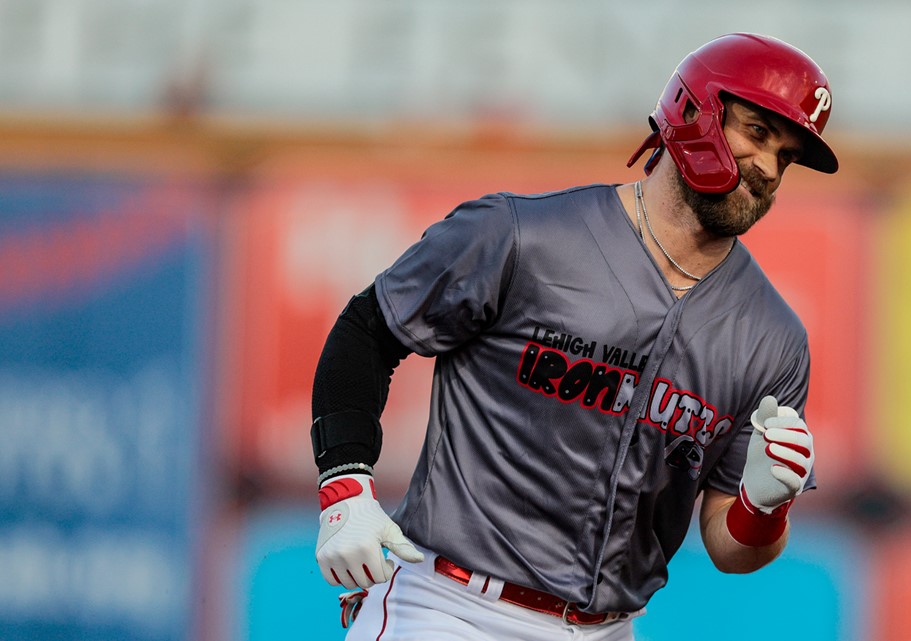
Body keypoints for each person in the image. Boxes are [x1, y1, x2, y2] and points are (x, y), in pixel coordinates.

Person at [310, 32, 837, 641]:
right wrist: (344, 484)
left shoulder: (773, 337)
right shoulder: (520, 235)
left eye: (788, 157)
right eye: (758, 133)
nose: (770, 169)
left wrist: (762, 508)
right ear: (694, 111)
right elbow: (367, 331)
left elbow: (729, 547)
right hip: (450, 608)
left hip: (607, 628)